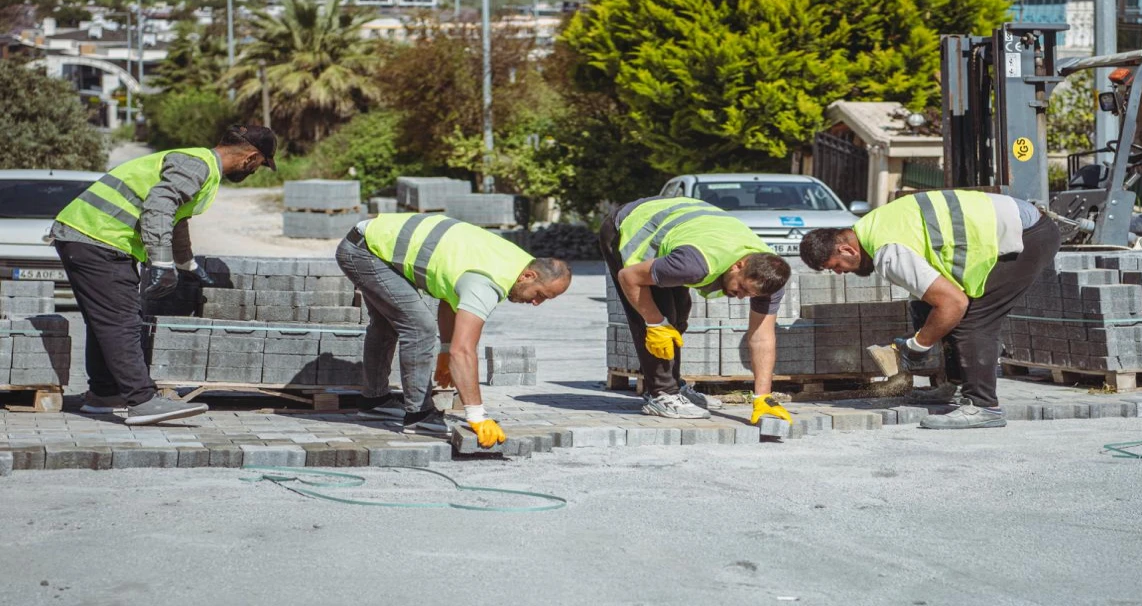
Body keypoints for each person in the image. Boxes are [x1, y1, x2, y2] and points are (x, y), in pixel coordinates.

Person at [52, 125, 278, 425]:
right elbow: (160, 206)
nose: (255, 171)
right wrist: (160, 262)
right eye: (261, 165)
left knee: (105, 320)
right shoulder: (197, 165)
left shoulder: (199, 165)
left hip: (88, 236)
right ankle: (141, 400)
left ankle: (104, 394)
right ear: (251, 157)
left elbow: (177, 219)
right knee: (123, 322)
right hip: (98, 238)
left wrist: (187, 264)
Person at [799, 190, 1060, 429]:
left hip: (1026, 236)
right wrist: (925, 323)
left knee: (974, 320)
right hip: (1015, 227)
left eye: (836, 266)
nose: (840, 273)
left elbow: (953, 303)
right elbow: (929, 295)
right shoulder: (871, 226)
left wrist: (918, 344)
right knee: (926, 307)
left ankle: (984, 406)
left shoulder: (888, 250)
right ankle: (955, 385)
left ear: (846, 249)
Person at [336, 212, 572, 447]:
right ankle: (418, 416)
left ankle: (375, 402)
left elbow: (451, 297)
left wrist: (445, 351)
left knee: (388, 324)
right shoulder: (488, 281)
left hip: (372, 242)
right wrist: (477, 415)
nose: (536, 303)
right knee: (420, 327)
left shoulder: (517, 263)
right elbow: (464, 351)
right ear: (528, 276)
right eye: (540, 295)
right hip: (365, 251)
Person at [600, 196, 795, 423]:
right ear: (738, 265)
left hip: (681, 233)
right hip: (629, 224)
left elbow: (762, 337)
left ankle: (674, 387)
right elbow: (629, 277)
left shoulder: (769, 279)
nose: (742, 296)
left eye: (749, 295)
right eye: (741, 287)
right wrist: (654, 322)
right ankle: (661, 395)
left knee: (680, 313)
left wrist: (763, 396)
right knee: (658, 319)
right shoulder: (695, 265)